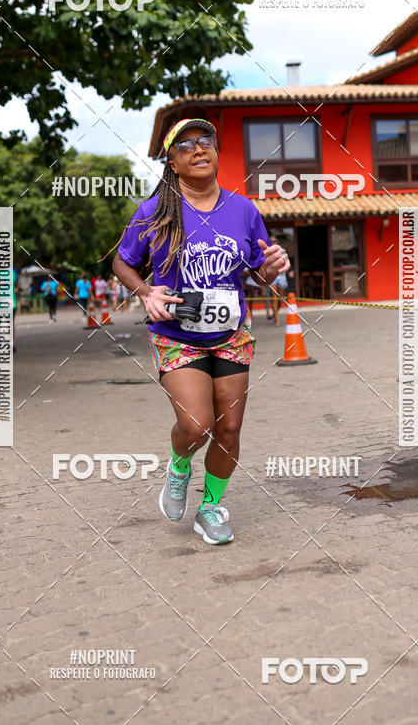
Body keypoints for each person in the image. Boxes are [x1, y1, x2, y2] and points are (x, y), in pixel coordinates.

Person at [113, 118, 290, 545]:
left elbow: (257, 273)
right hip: (177, 334)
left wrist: (270, 270)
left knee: (228, 430)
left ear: (216, 151)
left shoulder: (243, 210)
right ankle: (179, 467)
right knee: (196, 425)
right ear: (172, 163)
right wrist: (145, 292)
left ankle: (210, 508)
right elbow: (122, 261)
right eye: (185, 145)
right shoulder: (154, 211)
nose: (198, 148)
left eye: (205, 140)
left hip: (231, 334)